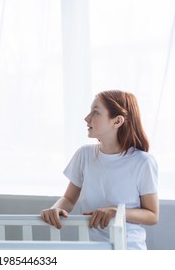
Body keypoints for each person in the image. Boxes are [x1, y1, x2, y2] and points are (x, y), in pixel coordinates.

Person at [40, 90, 159, 250]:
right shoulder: (84, 155)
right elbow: (68, 199)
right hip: (92, 249)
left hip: (129, 250)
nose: (87, 118)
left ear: (117, 121)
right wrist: (56, 209)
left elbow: (152, 215)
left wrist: (117, 212)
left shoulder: (143, 162)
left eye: (95, 112)